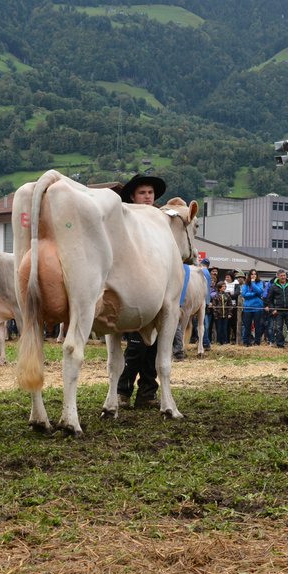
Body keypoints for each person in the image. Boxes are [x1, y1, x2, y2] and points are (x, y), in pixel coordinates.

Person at [116, 174, 167, 407]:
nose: (148, 197)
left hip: (157, 289)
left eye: (150, 193)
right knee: (135, 347)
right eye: (142, 193)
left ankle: (147, 392)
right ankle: (122, 391)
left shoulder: (160, 219)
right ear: (132, 196)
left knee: (154, 347)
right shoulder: (124, 217)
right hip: (135, 290)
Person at [238, 268, 267, 345]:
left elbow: (260, 291)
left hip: (258, 308)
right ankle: (246, 342)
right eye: (252, 274)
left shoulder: (260, 282)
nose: (253, 275)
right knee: (247, 326)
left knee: (258, 326)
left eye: (255, 274)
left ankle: (257, 342)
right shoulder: (246, 284)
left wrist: (253, 283)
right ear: (249, 275)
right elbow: (244, 294)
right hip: (248, 308)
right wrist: (254, 294)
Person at [265, 268, 288, 347]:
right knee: (278, 328)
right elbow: (269, 300)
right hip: (278, 310)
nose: (283, 277)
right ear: (277, 276)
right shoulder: (273, 287)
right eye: (281, 276)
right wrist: (273, 309)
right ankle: (280, 345)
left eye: (284, 275)